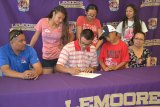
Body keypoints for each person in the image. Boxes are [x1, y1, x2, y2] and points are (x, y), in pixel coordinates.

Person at [30, 5, 74, 74]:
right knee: (47, 81)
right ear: (54, 13)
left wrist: (64, 46)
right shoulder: (42, 21)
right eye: (59, 17)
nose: (60, 20)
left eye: (62, 19)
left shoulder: (63, 25)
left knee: (60, 80)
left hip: (59, 56)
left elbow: (72, 35)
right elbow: (35, 37)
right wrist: (29, 49)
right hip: (47, 57)